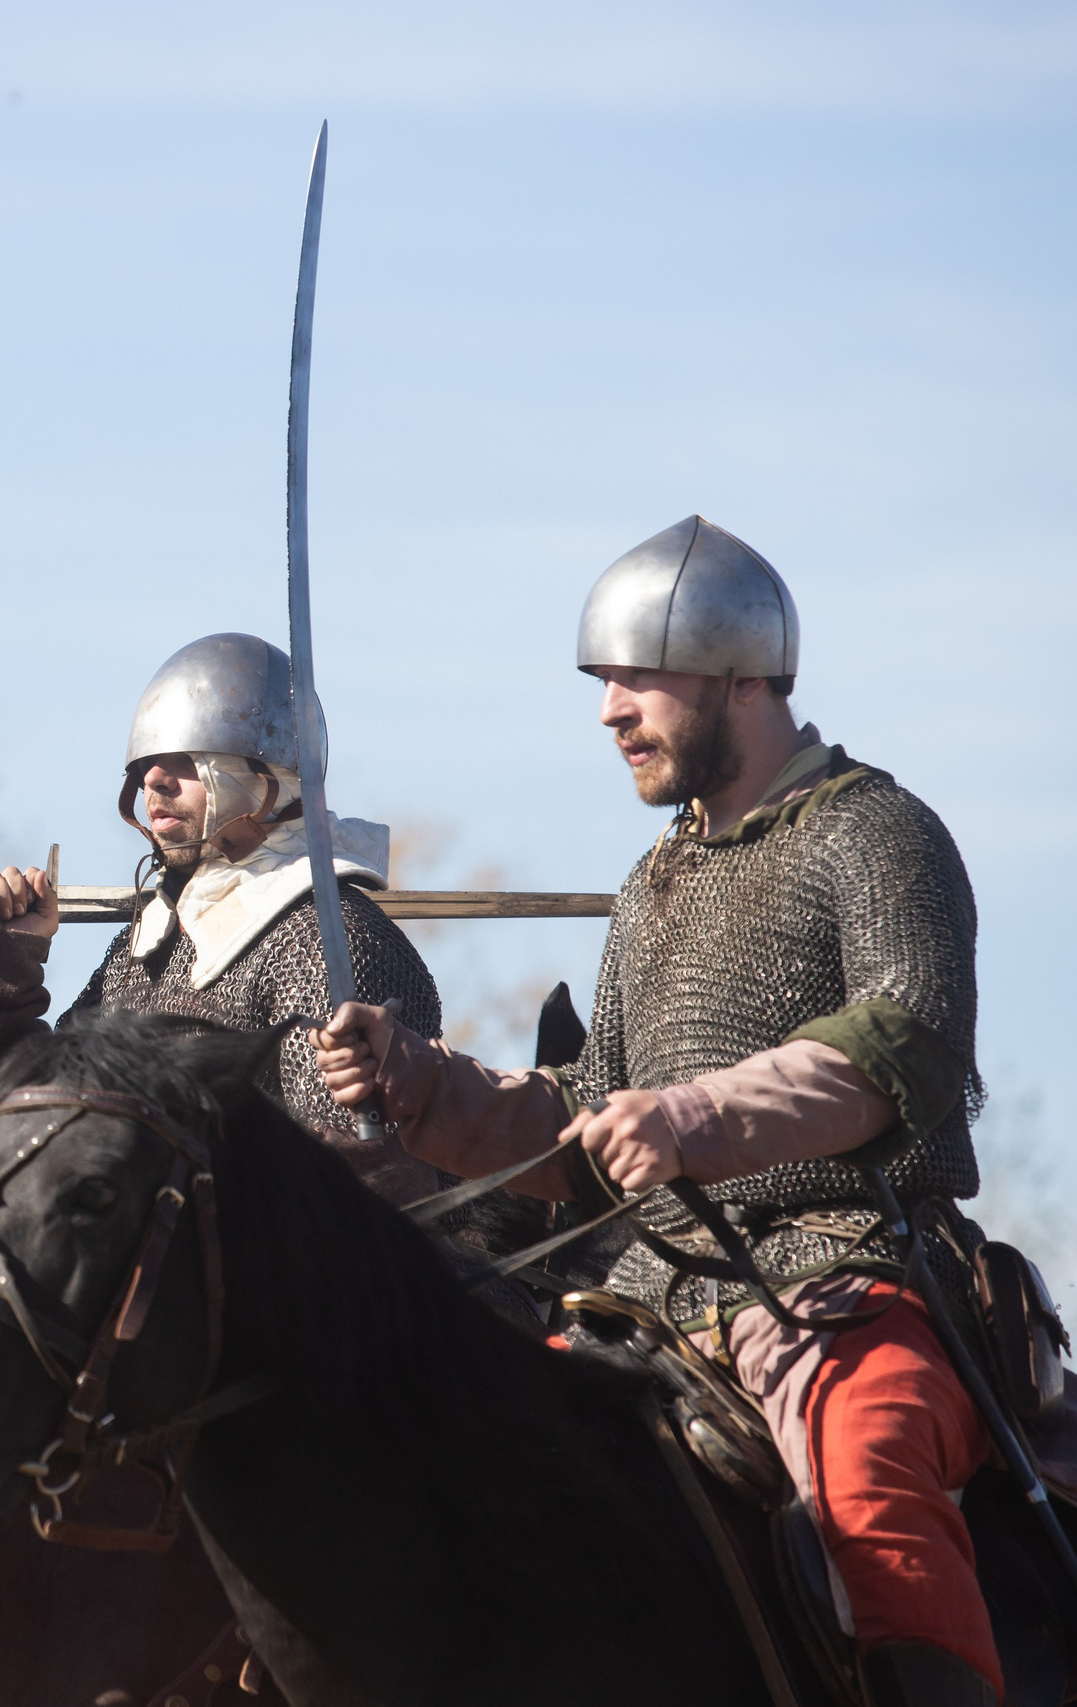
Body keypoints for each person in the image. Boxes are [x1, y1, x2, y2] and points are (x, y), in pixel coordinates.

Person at [312, 516, 997, 1706]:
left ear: (741, 677)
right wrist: (424, 1085)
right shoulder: (655, 881)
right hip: (645, 1302)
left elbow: (905, 1046)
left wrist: (690, 1119)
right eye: (603, 682)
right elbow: (590, 1120)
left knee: (867, 1474)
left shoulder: (876, 833)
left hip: (841, 1273)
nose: (609, 712)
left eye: (638, 678)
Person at [0, 632, 444, 1203]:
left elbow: (370, 1199)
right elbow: (41, 1131)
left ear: (267, 777)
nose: (153, 781)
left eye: (186, 760)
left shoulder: (329, 938)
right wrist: (2, 972)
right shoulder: (148, 943)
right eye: (147, 764)